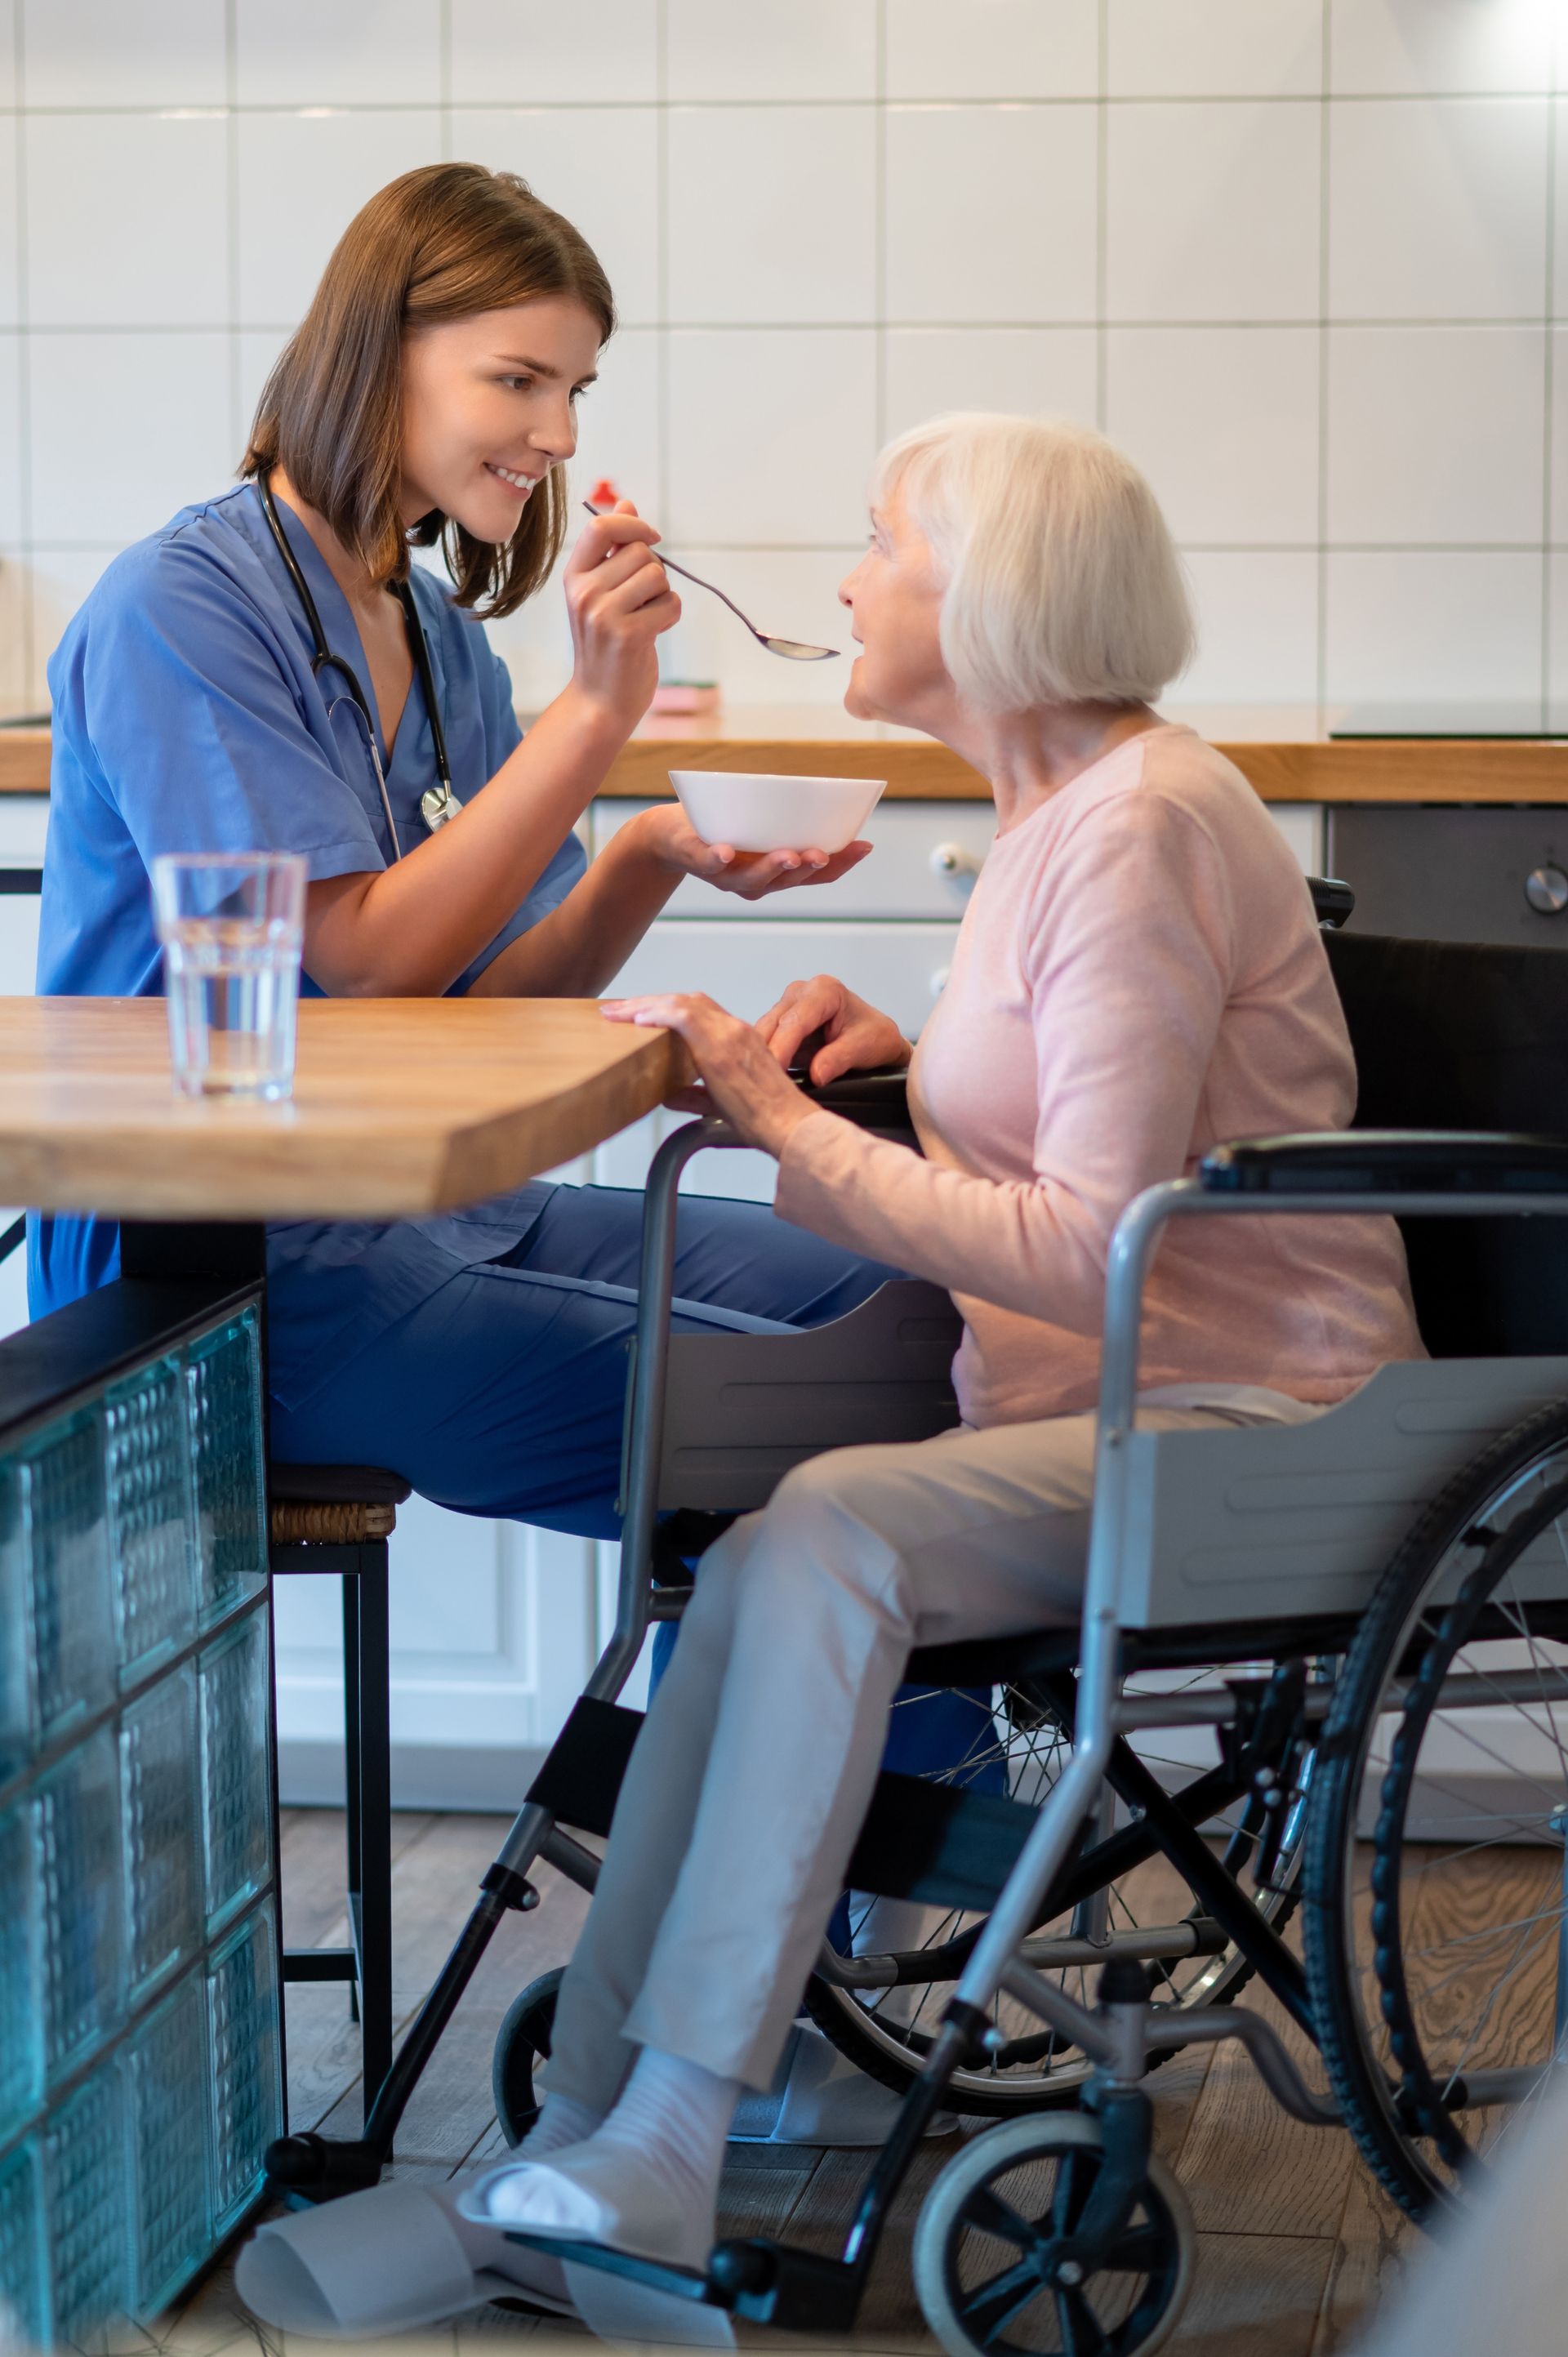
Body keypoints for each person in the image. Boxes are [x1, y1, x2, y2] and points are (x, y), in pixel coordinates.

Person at [234, 412, 1425, 2344]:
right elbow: (1049, 1147)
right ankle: (628, 2102)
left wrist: (784, 1108)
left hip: (1248, 1436)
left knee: (821, 1535)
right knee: (770, 1544)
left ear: (1000, 601)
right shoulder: (1072, 813)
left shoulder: (1131, 831)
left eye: (882, 546)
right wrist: (895, 1071)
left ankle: (672, 2114)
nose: (848, 580)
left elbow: (1088, 1245)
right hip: (1108, 1419)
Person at [30, 160, 898, 1530]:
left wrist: (647, 853)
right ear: (383, 356)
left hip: (442, 1211)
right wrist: (599, 715)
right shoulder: (180, 609)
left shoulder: (435, 637)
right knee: (843, 1424)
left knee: (906, 1307)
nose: (556, 433)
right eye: (519, 381)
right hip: (230, 1278)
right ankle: (828, 1753)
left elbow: (491, 1016)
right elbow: (367, 970)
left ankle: (813, 1747)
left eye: (576, 394)